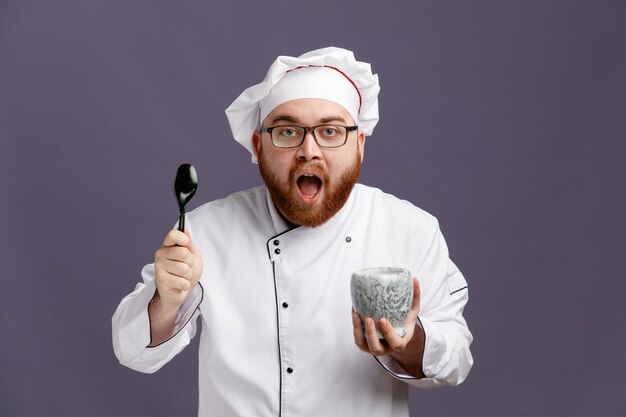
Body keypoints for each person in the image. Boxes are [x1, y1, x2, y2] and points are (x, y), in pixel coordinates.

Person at [112, 47, 473, 417]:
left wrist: (408, 343)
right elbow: (131, 351)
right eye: (287, 132)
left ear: (359, 145)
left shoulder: (409, 229)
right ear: (259, 146)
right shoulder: (205, 231)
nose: (308, 150)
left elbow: (457, 360)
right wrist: (165, 300)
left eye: (330, 131)